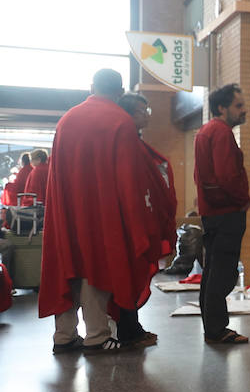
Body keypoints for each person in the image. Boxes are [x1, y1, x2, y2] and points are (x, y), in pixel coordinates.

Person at [38, 69, 168, 353]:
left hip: (66, 207)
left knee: (67, 266)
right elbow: (128, 179)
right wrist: (138, 223)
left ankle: (63, 336)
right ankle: (97, 336)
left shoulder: (67, 119)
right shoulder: (120, 121)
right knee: (96, 267)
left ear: (91, 87)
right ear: (120, 92)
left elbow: (55, 174)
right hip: (103, 209)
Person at [111, 92, 177, 349]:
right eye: (142, 110)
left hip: (139, 217)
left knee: (135, 274)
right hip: (129, 221)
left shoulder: (135, 143)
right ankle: (128, 329)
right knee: (128, 274)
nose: (146, 115)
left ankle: (131, 327)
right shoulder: (126, 144)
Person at [194, 83, 250, 345]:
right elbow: (227, 175)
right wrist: (243, 200)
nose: (244, 110)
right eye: (238, 106)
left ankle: (213, 327)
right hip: (226, 212)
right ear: (221, 108)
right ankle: (216, 329)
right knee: (223, 272)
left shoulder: (205, 132)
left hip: (213, 212)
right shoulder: (220, 132)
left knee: (213, 271)